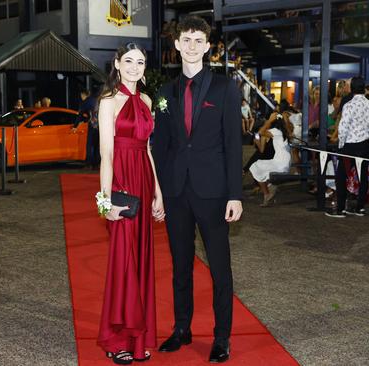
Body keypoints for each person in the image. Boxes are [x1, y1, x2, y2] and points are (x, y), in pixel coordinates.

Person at [152, 15, 242, 364]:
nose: (191, 46)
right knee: (180, 266)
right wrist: (159, 193)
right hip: (176, 191)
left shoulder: (224, 87)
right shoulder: (164, 92)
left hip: (215, 192)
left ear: (208, 46)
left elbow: (233, 144)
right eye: (185, 40)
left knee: (220, 269)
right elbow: (160, 147)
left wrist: (235, 193)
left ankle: (222, 338)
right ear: (176, 45)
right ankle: (181, 329)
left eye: (197, 41)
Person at [96, 43, 165, 364]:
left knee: (141, 261)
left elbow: (148, 149)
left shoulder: (148, 101)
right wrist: (104, 201)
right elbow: (106, 154)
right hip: (121, 182)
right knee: (124, 262)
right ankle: (117, 338)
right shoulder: (108, 101)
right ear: (117, 64)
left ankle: (138, 341)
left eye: (140, 62)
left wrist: (158, 192)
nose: (135, 67)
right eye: (129, 61)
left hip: (143, 178)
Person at [326, 77, 369, 218]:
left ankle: (340, 209)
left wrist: (341, 145)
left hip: (349, 145)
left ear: (352, 87)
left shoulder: (348, 105)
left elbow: (343, 127)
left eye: (348, 84)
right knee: (363, 177)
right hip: (365, 144)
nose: (346, 87)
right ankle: (360, 208)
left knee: (342, 176)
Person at [249, 111, 292, 206]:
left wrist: (269, 120)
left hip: (280, 163)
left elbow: (260, 132)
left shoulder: (276, 132)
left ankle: (267, 193)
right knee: (258, 165)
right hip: (283, 162)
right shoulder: (284, 131)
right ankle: (269, 189)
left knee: (254, 166)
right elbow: (261, 148)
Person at [73, 89, 99, 169]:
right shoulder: (96, 100)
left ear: (83, 94)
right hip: (100, 126)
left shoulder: (85, 102)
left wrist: (75, 126)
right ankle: (97, 164)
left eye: (81, 95)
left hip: (92, 125)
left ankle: (89, 164)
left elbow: (80, 115)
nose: (81, 97)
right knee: (97, 145)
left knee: (89, 145)